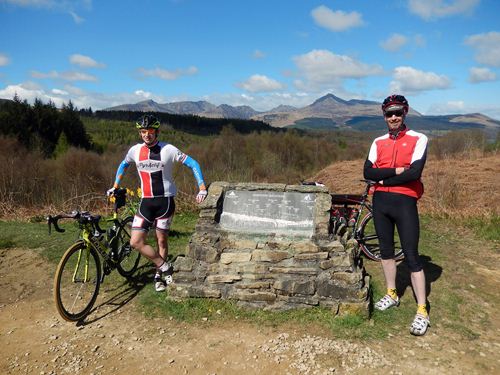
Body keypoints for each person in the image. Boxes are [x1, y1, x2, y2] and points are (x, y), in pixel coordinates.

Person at [107, 114, 207, 292]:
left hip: (165, 202)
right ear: (140, 133)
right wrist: (115, 186)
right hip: (146, 202)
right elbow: (123, 165)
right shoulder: (135, 151)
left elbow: (193, 163)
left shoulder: (168, 149)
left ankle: (158, 277)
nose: (147, 135)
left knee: (161, 241)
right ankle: (164, 266)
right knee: (135, 242)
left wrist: (202, 188)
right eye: (143, 131)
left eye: (150, 131)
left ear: (157, 131)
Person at [363, 94, 430, 336]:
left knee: (411, 256)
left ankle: (422, 309)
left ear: (405, 112)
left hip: (405, 202)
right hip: (380, 201)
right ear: (384, 115)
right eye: (389, 113)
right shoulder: (378, 141)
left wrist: (382, 176)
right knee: (386, 251)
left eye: (398, 112)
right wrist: (394, 171)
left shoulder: (418, 138)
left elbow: (414, 173)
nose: (393, 117)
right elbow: (367, 171)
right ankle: (392, 293)